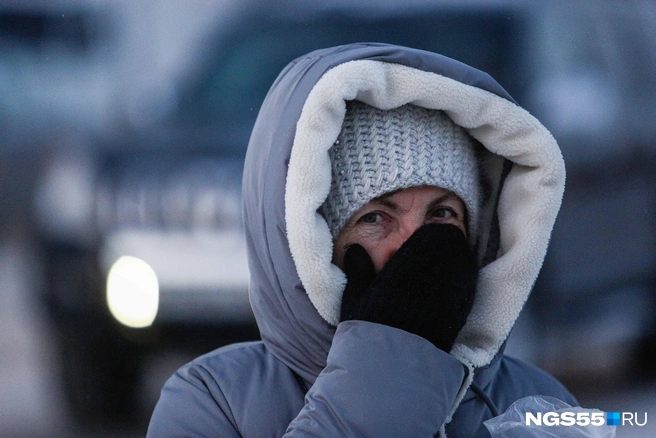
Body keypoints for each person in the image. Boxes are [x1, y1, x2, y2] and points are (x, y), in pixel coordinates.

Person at [147, 43, 576, 437]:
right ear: (311, 239)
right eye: (375, 217)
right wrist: (391, 366)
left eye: (442, 215)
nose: (413, 246)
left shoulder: (536, 404)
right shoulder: (212, 400)